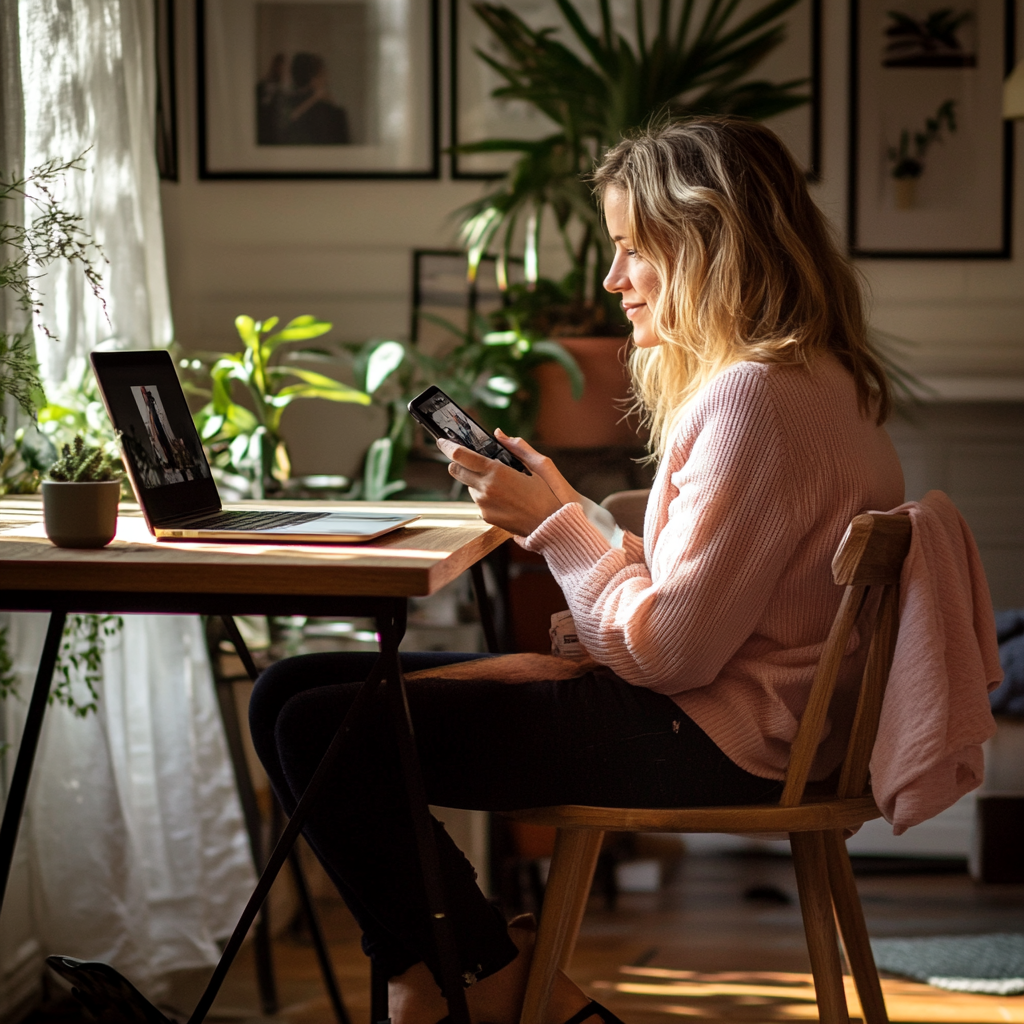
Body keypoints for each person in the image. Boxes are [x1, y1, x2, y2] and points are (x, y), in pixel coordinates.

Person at [249, 117, 904, 1024]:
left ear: (705, 244)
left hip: (714, 739)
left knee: (319, 727)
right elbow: (710, 599)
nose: (612, 278)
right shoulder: (818, 382)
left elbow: (669, 652)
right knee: (287, 692)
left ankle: (482, 982)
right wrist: (566, 508)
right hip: (740, 723)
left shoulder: (755, 397)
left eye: (633, 248)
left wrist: (556, 529)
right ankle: (459, 978)